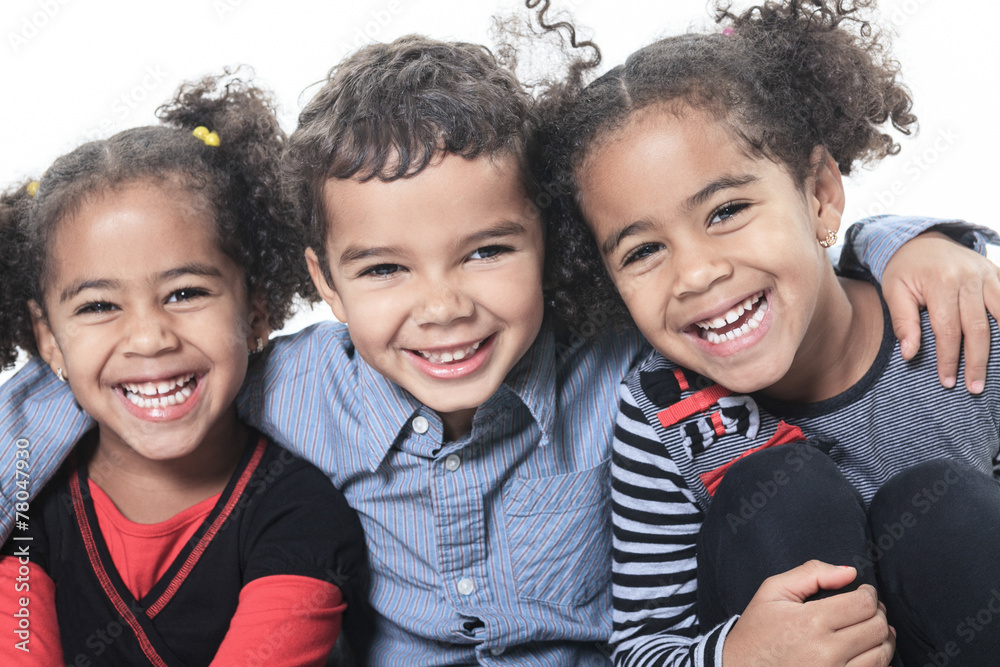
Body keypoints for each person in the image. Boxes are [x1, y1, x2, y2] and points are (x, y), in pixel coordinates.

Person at [1, 28, 998, 664]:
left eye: (484, 251)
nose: (443, 307)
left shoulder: (622, 362)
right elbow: (127, 370)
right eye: (385, 269)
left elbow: (742, 255)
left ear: (549, 245)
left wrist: (905, 237)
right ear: (323, 282)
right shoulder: (283, 389)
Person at [534, 1, 1000, 665]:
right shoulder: (662, 410)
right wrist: (734, 655)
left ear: (819, 196)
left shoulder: (958, 320)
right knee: (778, 490)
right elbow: (642, 647)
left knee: (947, 511)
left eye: (726, 210)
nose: (696, 272)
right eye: (642, 250)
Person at [0, 73, 369, 666]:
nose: (149, 337)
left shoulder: (298, 508)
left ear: (256, 311)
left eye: (185, 292)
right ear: (49, 339)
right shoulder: (24, 501)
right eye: (98, 306)